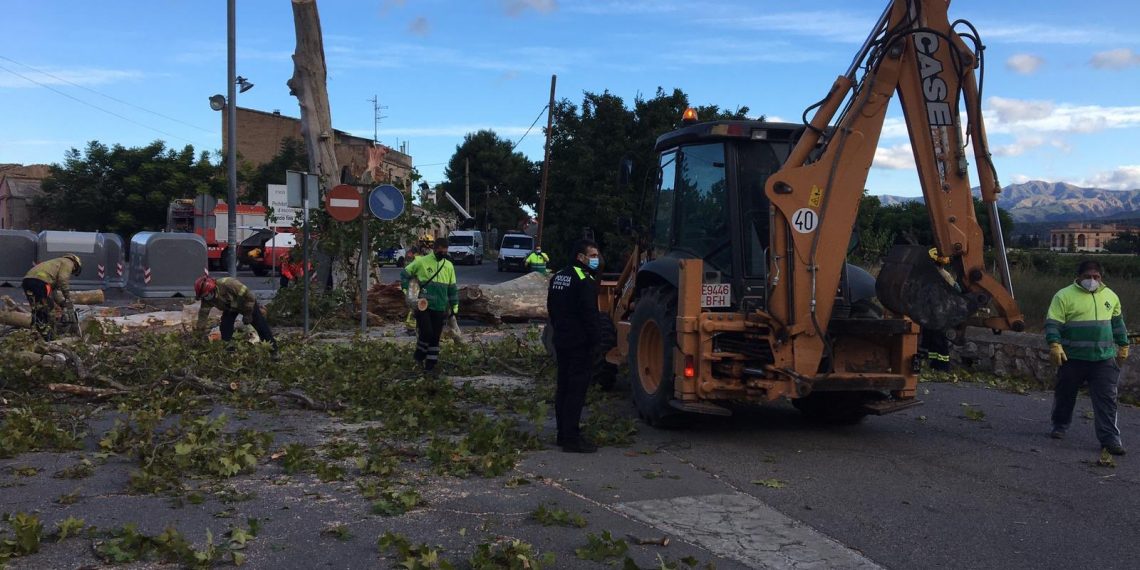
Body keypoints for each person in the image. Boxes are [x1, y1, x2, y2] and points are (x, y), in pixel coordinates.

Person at [1045, 260, 1129, 456]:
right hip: (1073, 358)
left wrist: (1123, 345)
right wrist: (1054, 344)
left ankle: (1110, 439)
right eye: (1088, 277)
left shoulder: (1111, 296)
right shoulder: (1064, 296)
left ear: (1101, 277)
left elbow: (1117, 324)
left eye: (1096, 277)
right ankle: (1060, 424)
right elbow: (1053, 323)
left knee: (1107, 399)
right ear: (1079, 277)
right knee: (1065, 394)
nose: (1092, 280)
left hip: (1103, 359)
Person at [546, 239, 602, 453]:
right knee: (576, 391)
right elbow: (590, 314)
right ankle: (571, 438)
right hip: (580, 343)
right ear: (581, 257)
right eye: (593, 255)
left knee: (563, 387)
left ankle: (562, 434)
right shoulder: (584, 280)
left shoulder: (558, 276)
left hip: (561, 339)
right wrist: (596, 341)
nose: (596, 259)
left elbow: (551, 308)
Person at [401, 237, 458, 373]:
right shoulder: (421, 262)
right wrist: (408, 291)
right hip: (423, 305)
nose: (443, 254)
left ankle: (430, 366)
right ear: (435, 249)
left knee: (435, 338)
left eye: (445, 252)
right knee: (426, 332)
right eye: (440, 251)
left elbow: (452, 288)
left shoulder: (449, 266)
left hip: (440, 307)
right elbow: (405, 274)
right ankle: (419, 356)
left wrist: (454, 306)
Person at [194, 275, 278, 353]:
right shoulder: (207, 299)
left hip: (246, 303)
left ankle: (273, 350)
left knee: (260, 326)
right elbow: (203, 314)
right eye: (204, 296)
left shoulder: (228, 284)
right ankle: (229, 349)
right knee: (225, 327)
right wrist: (199, 331)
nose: (206, 298)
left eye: (207, 295)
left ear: (213, 289)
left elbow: (249, 297)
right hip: (230, 308)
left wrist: (248, 314)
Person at [22, 254, 82, 340]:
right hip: (41, 282)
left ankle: (35, 334)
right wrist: (68, 298)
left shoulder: (54, 266)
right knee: (48, 309)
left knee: (36, 310)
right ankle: (49, 336)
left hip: (27, 281)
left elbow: (53, 293)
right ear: (76, 264)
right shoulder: (68, 262)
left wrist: (61, 303)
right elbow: (63, 280)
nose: (71, 272)